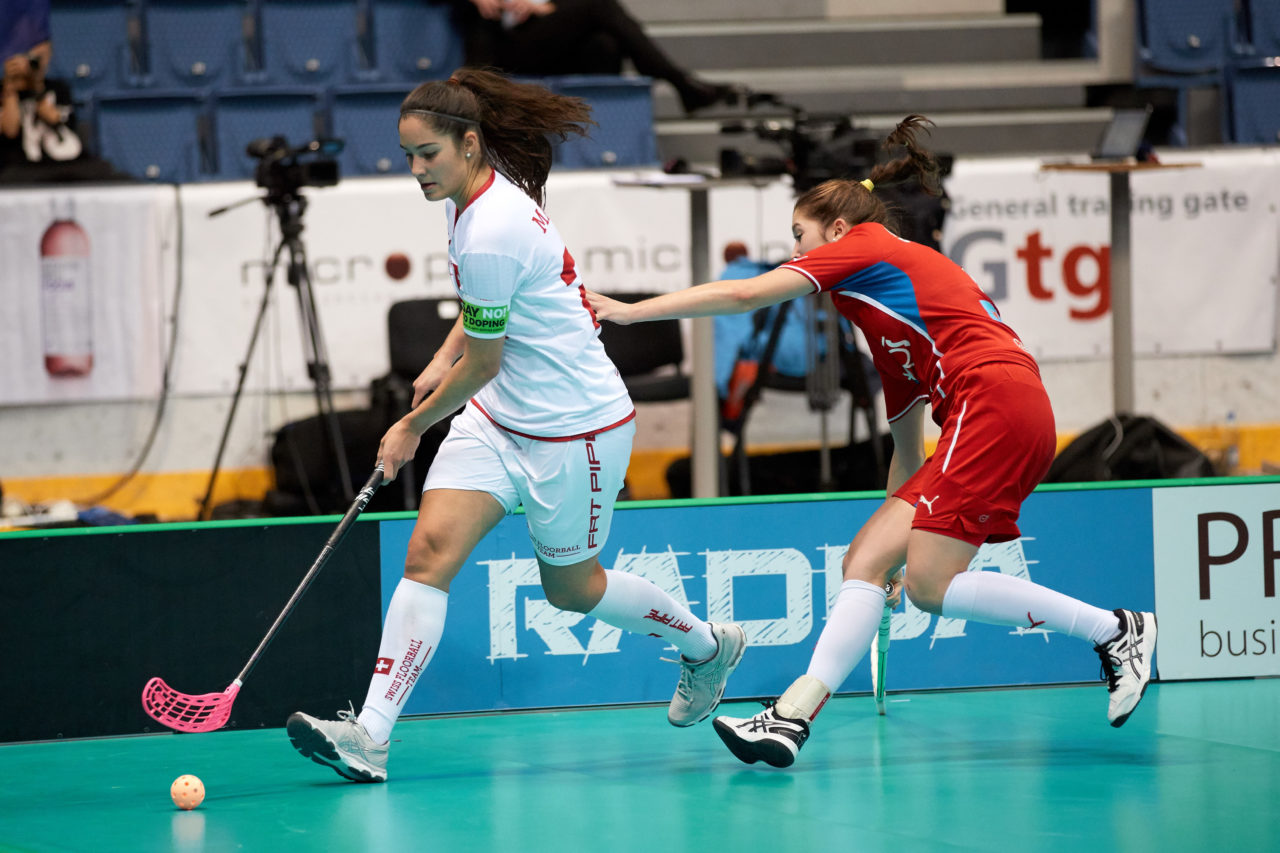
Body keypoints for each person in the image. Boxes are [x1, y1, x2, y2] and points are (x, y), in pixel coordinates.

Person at [586, 115, 1157, 769]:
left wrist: (630, 311)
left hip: (992, 403)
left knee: (908, 576)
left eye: (800, 237)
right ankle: (791, 718)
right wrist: (890, 548)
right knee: (880, 566)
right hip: (1008, 411)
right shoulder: (886, 324)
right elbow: (908, 454)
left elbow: (746, 293)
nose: (798, 254)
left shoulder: (871, 248)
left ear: (835, 229)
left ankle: (1117, 629)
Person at [285, 68, 746, 783]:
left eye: (427, 154)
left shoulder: (494, 226)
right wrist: (441, 357)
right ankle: (369, 735)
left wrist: (412, 423)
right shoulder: (465, 200)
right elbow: (476, 319)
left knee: (574, 588)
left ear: (470, 144)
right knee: (428, 554)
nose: (415, 170)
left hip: (576, 430)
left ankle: (707, 645)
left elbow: (487, 359)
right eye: (408, 155)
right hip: (501, 419)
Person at [453, 0, 739, 114]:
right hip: (499, 46)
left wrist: (544, 8)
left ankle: (600, 136)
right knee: (600, 5)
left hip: (545, 32)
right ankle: (679, 82)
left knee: (605, 45)